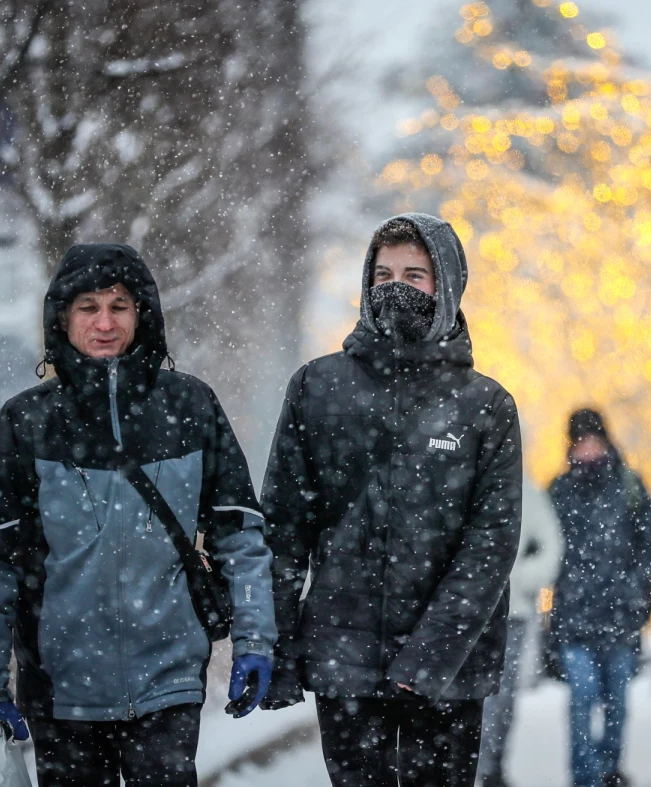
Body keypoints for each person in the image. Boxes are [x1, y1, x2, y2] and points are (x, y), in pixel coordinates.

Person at [0, 244, 277, 786]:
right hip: (62, 690)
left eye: (119, 306)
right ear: (63, 317)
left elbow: (240, 535)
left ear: (142, 314)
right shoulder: (24, 423)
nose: (105, 322)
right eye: (88, 307)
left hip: (170, 683)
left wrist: (255, 642)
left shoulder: (191, 406)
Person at [259, 214, 523, 787]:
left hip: (450, 671)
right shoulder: (317, 389)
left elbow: (491, 547)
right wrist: (273, 643)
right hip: (344, 662)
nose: (395, 288)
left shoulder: (486, 407)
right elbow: (282, 530)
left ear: (446, 285)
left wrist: (429, 657)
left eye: (414, 274)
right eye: (382, 274)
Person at [549, 408, 651, 787]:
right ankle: (585, 774)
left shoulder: (629, 485)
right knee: (583, 698)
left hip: (619, 616)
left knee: (617, 703)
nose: (587, 449)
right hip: (575, 617)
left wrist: (634, 587)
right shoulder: (560, 491)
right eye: (581, 442)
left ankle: (608, 768)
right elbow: (548, 550)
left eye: (592, 440)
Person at [477, 477, 564, 787]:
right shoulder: (463, 484)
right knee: (470, 696)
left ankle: (491, 767)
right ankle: (475, 767)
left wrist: (523, 580)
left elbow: (551, 544)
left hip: (511, 612)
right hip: (463, 611)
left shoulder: (528, 493)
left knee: (501, 696)